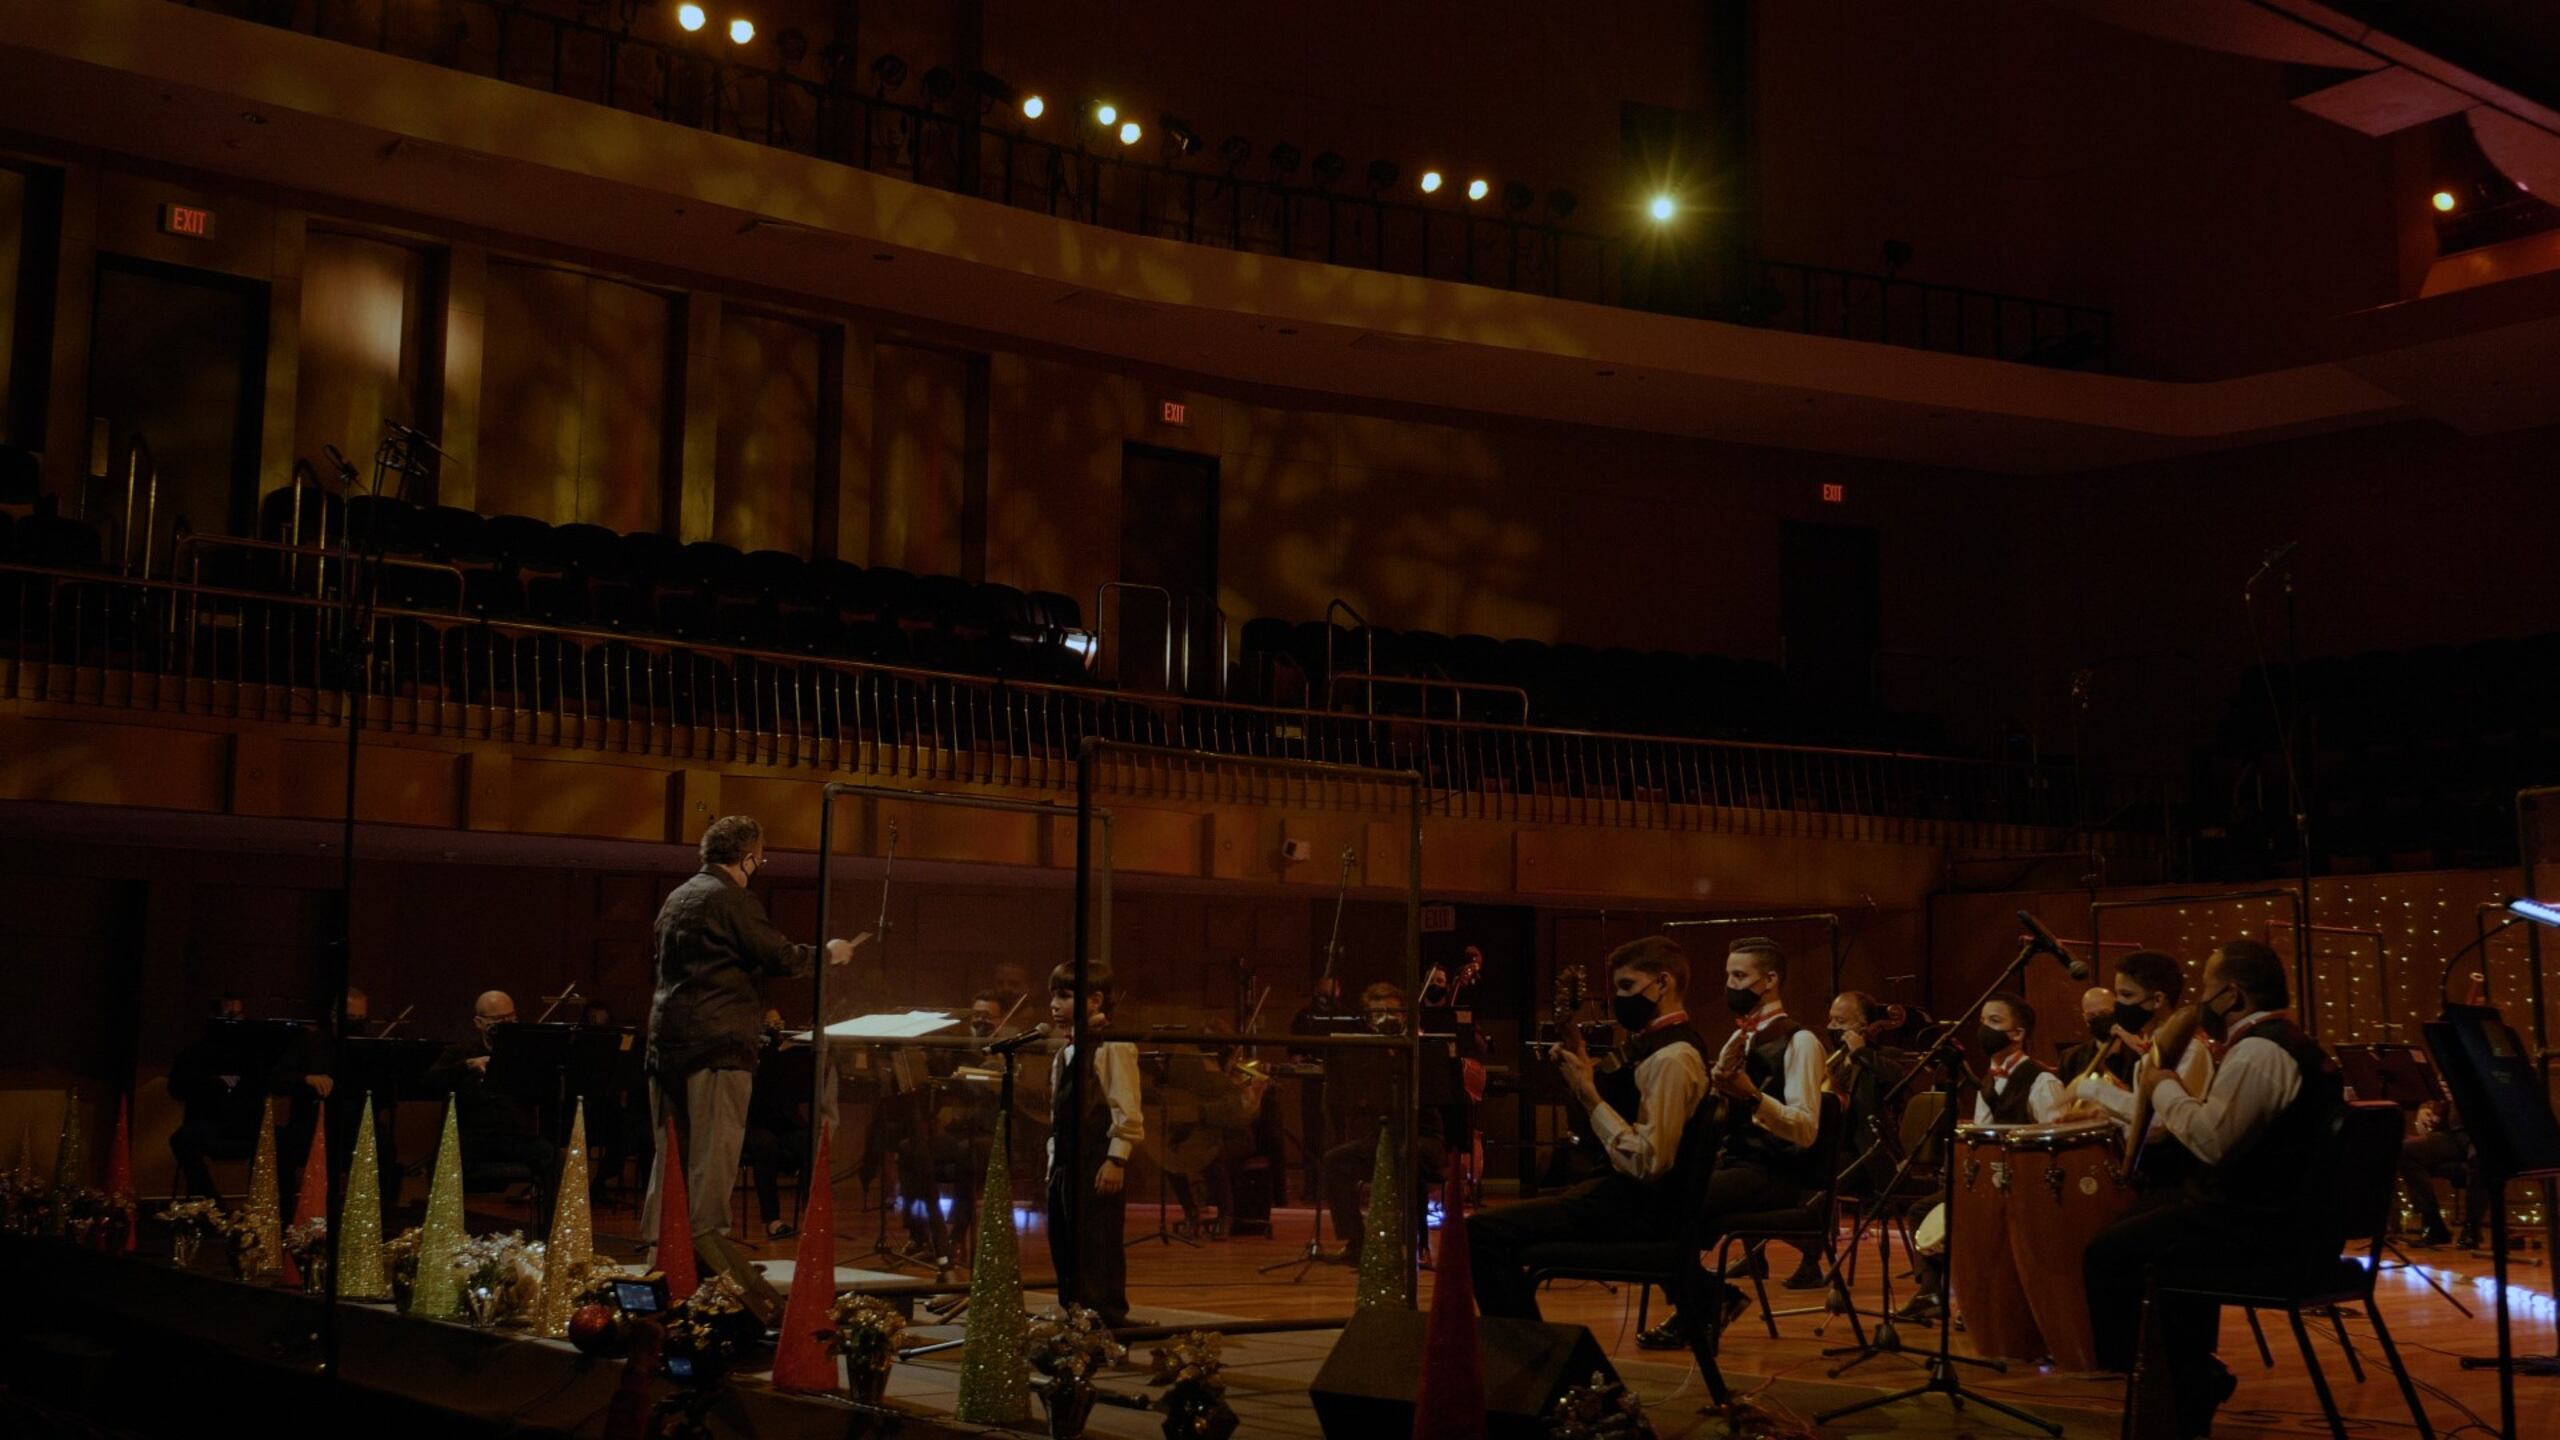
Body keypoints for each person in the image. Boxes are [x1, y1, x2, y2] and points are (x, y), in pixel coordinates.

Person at [2082, 939, 2347, 1438]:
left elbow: (2211, 1141)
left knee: (2109, 1251)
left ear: (2231, 996)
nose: (2199, 999)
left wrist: (2160, 1082)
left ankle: (2146, 1378)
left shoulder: (2259, 1052)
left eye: (2207, 987)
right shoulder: (2282, 1043)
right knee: (2153, 1233)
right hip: (2277, 1217)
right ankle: (2185, 1381)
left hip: (2268, 1230)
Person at [643, 815, 861, 1261]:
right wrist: (830, 954)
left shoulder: (676, 897)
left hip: (665, 1043)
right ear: (746, 858)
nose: (759, 865)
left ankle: (658, 1250)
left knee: (671, 1156)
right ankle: (707, 1259)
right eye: (759, 859)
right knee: (713, 1156)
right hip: (718, 1047)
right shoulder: (731, 898)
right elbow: (778, 956)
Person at [1472, 937, 1717, 1331]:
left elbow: (1648, 1162)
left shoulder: (1673, 1058)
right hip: (1621, 1199)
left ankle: (1534, 1357)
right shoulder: (1653, 1047)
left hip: (1638, 1210)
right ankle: (1531, 1352)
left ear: (1663, 983)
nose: (1620, 1000)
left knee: (1481, 1232)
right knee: (1496, 1233)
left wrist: (1589, 1096)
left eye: (1627, 987)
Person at [1784, 990, 1909, 1290]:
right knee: (1779, 1171)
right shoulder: (1833, 1062)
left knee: (1819, 1182)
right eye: (1831, 1020)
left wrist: (1862, 1053)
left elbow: (1898, 1079)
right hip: (1835, 1153)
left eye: (1842, 1021)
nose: (1834, 1027)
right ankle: (1756, 1252)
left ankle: (1811, 1262)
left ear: (1864, 1026)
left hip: (1869, 1158)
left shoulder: (1882, 1058)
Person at [2062, 950, 2213, 1192]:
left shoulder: (2189, 1051)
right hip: (2150, 1177)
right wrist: (2100, 1115)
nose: (2118, 1005)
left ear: (2157, 1000)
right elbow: (2139, 1124)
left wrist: (2094, 1089)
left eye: (2126, 995)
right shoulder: (2147, 1054)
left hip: (2178, 1183)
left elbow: (2159, 1125)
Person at [1316, 983, 1444, 1261]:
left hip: (1421, 1135)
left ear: (1404, 1015)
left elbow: (1432, 1097)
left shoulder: (1421, 1047)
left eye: (1390, 1011)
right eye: (1376, 1013)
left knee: (1405, 1154)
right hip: (1383, 1135)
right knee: (1334, 1161)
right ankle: (1356, 1243)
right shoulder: (1363, 1051)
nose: (1384, 1018)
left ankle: (1404, 1241)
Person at [1048, 960, 1144, 1326]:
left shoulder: (1112, 1047)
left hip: (1095, 1159)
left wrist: (1116, 1158)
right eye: (1053, 997)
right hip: (1065, 1162)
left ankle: (1107, 1320)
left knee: (1098, 1244)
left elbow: (1126, 1106)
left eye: (1065, 996)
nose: (1055, 1006)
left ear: (1095, 1000)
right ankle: (1076, 1318)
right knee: (1066, 1242)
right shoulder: (1067, 1051)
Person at [426, 990, 560, 1223]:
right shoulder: (460, 1052)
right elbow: (428, 1083)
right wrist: (467, 1066)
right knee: (442, 1161)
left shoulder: (523, 1055)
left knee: (550, 1155)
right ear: (479, 1022)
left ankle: (551, 1233)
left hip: (513, 1138)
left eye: (510, 1018)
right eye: (498, 1020)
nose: (506, 1025)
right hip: (472, 1139)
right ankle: (442, 1229)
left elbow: (545, 1093)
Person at [272, 986, 398, 1205]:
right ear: (334, 1016)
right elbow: (277, 1078)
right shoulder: (309, 1042)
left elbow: (387, 1095)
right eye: (350, 1018)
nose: (356, 1024)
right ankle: (287, 1214)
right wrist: (307, 1078)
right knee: (283, 1145)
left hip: (356, 1126)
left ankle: (380, 1217)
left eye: (361, 1018)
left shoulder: (370, 1047)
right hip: (313, 1123)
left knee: (385, 1147)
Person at [167, 1000, 265, 1197]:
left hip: (243, 1125)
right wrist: (211, 1082)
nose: (233, 1023)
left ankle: (260, 1211)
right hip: (206, 1122)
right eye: (228, 1016)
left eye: (238, 1017)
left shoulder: (252, 1055)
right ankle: (211, 1204)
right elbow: (176, 1088)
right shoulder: (195, 1053)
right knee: (182, 1140)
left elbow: (264, 1085)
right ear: (213, 1018)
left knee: (272, 1139)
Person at [1971, 990, 2065, 1125]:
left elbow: (2057, 1137)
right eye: (1983, 1021)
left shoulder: (2042, 1081)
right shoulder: (1986, 1083)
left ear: (2018, 1034)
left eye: (1994, 1020)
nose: (1985, 1028)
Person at [2397, 1097, 2480, 1248]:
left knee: (2481, 1157)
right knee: (2406, 1150)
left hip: (2484, 1131)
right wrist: (2426, 1107)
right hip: (2453, 1134)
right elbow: (2435, 1092)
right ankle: (2432, 1222)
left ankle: (2472, 1226)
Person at [2056, 986, 2118, 1084]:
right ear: (2085, 1019)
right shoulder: (2070, 1058)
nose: (2098, 1018)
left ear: (2117, 1011)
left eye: (2103, 1013)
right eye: (2091, 1015)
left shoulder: (2135, 1054)